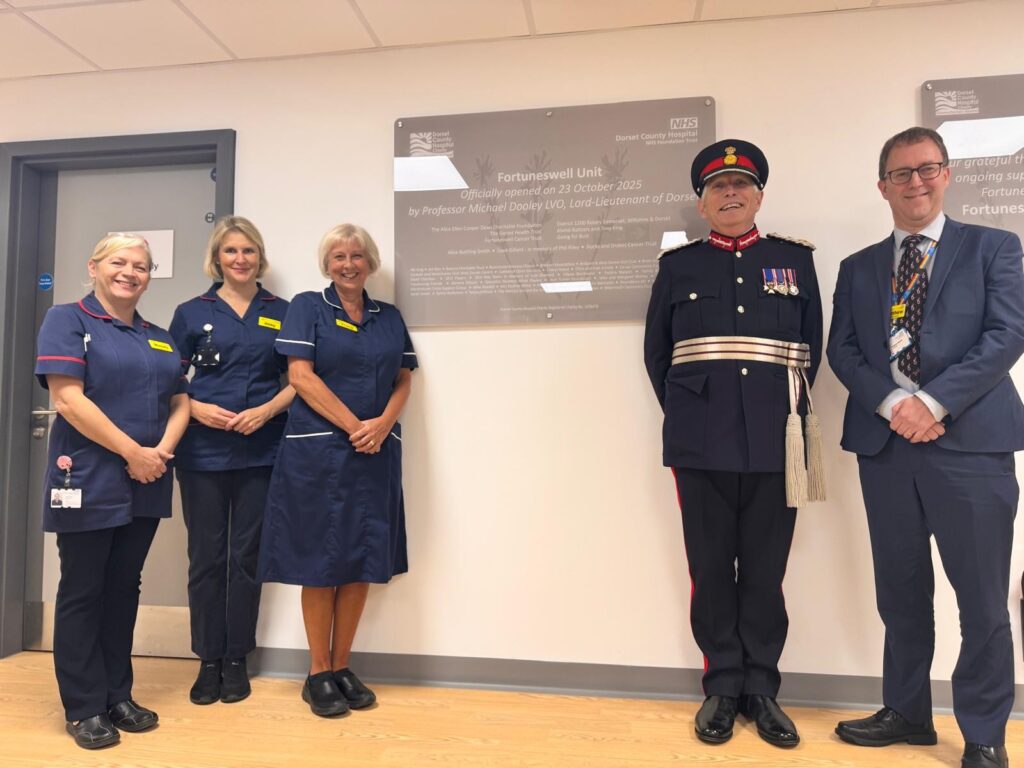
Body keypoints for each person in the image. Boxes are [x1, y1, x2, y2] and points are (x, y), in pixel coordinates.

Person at [828, 127, 1023, 768]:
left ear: (946, 174)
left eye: (928, 168)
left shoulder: (994, 248)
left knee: (981, 600)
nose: (916, 181)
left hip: (969, 447)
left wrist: (931, 403)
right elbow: (844, 351)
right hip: (888, 450)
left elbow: (1005, 335)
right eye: (902, 172)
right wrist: (893, 406)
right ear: (881, 184)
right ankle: (908, 713)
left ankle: (985, 733)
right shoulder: (857, 267)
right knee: (901, 593)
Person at [644, 139, 823, 748]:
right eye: (718, 188)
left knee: (767, 572)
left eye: (741, 185)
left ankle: (762, 689)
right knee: (711, 568)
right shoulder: (678, 267)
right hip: (700, 442)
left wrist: (785, 414)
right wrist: (696, 416)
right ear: (702, 202)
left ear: (759, 195)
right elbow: (658, 356)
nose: (730, 194)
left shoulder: (794, 262)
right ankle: (722, 684)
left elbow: (809, 352)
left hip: (778, 438)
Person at [34, 233, 190, 749]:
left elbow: (181, 400)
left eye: (141, 265)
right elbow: (69, 400)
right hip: (87, 475)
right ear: (94, 266)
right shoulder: (67, 319)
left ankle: (117, 694)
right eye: (119, 262)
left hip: (146, 477)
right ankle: (83, 707)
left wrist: (159, 452)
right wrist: (133, 453)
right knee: (83, 590)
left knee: (124, 588)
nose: (130, 272)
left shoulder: (159, 335)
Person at [258, 223, 417, 717]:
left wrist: (383, 423)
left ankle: (343, 666)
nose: (348, 264)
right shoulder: (308, 307)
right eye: (338, 256)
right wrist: (355, 426)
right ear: (327, 263)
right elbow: (300, 378)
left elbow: (404, 378)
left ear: (370, 262)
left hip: (375, 453)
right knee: (320, 562)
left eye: (357, 255)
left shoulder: (388, 316)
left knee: (361, 560)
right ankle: (317, 673)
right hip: (319, 455)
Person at [168, 217, 294, 705]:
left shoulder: (282, 311)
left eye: (249, 251)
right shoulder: (189, 312)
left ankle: (237, 656)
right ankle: (207, 659)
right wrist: (197, 408)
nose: (240, 259)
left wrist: (265, 412)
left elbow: (297, 379)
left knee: (246, 557)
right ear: (216, 258)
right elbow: (169, 378)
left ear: (260, 257)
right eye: (230, 251)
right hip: (202, 451)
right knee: (206, 558)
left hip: (261, 451)